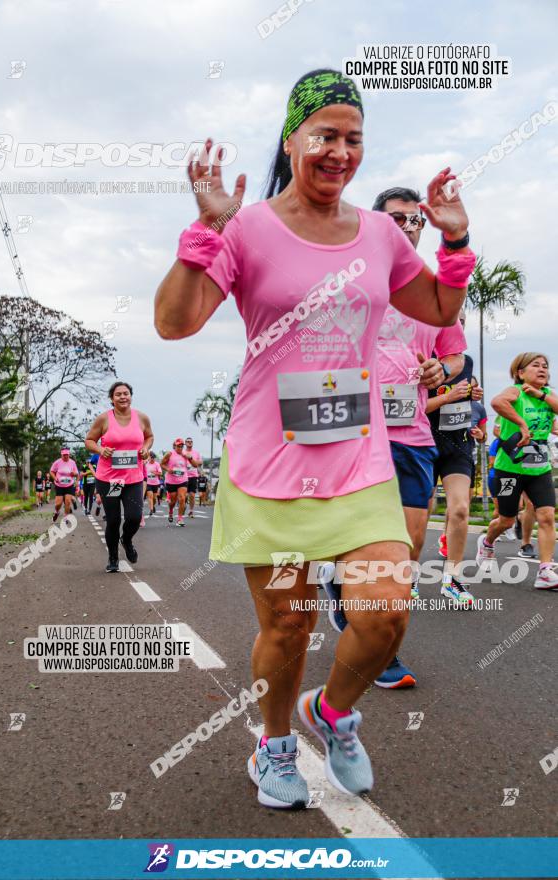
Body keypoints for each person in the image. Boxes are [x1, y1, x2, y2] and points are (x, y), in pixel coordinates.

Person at [154, 69, 474, 808]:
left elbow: (431, 302)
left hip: (357, 455)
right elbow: (174, 321)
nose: (339, 151)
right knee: (289, 624)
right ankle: (273, 748)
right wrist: (203, 231)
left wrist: (455, 239)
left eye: (352, 138)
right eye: (324, 135)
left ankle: (329, 714)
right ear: (293, 138)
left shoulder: (378, 232)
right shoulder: (247, 227)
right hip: (269, 456)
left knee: (385, 610)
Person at [363, 186, 466, 688]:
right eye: (396, 219)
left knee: (411, 546)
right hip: (352, 433)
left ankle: (385, 653)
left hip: (411, 432)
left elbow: (454, 355)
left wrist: (438, 371)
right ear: (376, 225)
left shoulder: (432, 292)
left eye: (414, 221)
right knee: (357, 544)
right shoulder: (354, 281)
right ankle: (350, 598)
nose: (407, 227)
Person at [476, 353, 558, 589]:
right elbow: (496, 402)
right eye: (535, 365)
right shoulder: (516, 392)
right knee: (506, 519)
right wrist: (522, 424)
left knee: (546, 516)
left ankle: (544, 571)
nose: (542, 369)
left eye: (545, 366)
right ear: (520, 373)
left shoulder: (548, 397)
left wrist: (541, 394)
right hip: (509, 469)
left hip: (539, 468)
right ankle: (488, 543)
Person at [426, 351, 485, 605]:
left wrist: (471, 397)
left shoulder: (466, 361)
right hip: (423, 444)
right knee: (420, 513)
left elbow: (466, 403)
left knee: (460, 509)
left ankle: (452, 579)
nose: (457, 325)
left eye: (462, 321)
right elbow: (416, 407)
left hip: (458, 446)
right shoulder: (420, 356)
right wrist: (449, 396)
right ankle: (410, 576)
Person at [85, 381, 153, 572]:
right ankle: (113, 557)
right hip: (111, 480)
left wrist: (146, 449)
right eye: (118, 394)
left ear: (131, 396)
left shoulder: (141, 418)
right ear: (112, 399)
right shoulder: (104, 419)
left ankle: (127, 540)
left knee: (134, 516)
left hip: (133, 479)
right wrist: (100, 449)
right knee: (113, 520)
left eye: (126, 393)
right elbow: (89, 440)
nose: (123, 397)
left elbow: (149, 437)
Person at [161, 439, 189, 526]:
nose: (180, 448)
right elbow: (162, 464)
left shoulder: (185, 455)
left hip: (183, 480)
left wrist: (190, 457)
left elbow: (193, 463)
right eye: (178, 446)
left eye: (181, 446)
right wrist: (168, 469)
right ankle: (170, 511)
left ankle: (180, 519)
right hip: (171, 481)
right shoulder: (169, 454)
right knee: (172, 501)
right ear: (174, 446)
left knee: (182, 498)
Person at [50, 448, 79, 522]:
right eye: (64, 455)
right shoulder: (57, 462)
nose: (66, 456)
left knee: (68, 501)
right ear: (61, 455)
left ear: (69, 455)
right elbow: (52, 471)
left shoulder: (72, 462)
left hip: (69, 485)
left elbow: (77, 473)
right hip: (59, 485)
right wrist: (55, 478)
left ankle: (65, 516)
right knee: (58, 504)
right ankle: (57, 512)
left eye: (67, 455)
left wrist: (74, 473)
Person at [183, 437, 202, 517]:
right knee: (185, 495)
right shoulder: (183, 452)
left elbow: (200, 462)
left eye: (191, 442)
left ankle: (191, 510)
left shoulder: (196, 453)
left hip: (193, 476)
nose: (189, 443)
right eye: (188, 442)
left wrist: (193, 461)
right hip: (184, 476)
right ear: (185, 443)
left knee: (192, 495)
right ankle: (183, 505)